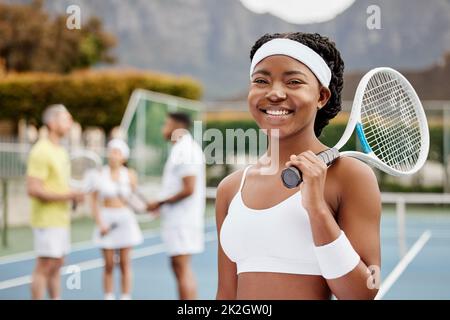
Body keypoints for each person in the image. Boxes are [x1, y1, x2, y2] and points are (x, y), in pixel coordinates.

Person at [216, 32, 382, 300]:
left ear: (321, 96)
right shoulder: (230, 188)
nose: (275, 94)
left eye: (294, 82)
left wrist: (317, 210)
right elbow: (225, 294)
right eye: (261, 81)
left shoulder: (350, 176)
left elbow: (363, 293)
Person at [147, 112, 206, 300]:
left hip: (183, 220)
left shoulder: (185, 150)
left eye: (166, 123)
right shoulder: (181, 148)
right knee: (178, 267)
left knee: (182, 267)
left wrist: (160, 202)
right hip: (179, 219)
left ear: (176, 126)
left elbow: (189, 188)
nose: (163, 127)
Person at [27, 104, 83, 300]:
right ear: (52, 123)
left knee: (57, 264)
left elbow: (59, 186)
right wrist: (68, 195)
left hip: (61, 219)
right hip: (46, 220)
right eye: (66, 118)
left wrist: (73, 195)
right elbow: (33, 189)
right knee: (45, 266)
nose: (70, 123)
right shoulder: (41, 150)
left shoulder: (60, 151)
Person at [91, 138, 143, 300]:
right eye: (111, 151)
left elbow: (135, 198)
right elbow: (93, 201)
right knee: (108, 264)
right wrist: (101, 223)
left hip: (125, 219)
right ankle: (108, 296)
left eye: (117, 152)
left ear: (123, 157)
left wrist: (145, 208)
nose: (113, 155)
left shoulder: (130, 175)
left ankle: (125, 296)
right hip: (107, 218)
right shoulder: (100, 174)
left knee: (125, 263)